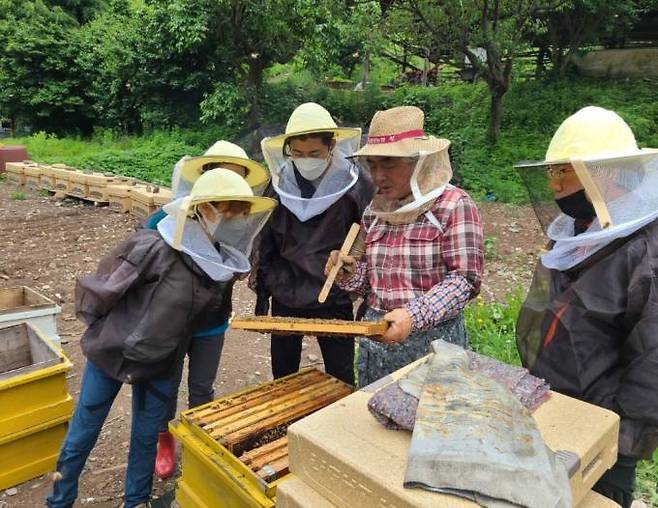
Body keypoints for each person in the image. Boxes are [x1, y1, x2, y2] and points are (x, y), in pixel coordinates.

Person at [46, 169, 276, 508]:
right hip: (112, 351)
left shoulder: (220, 266)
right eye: (228, 210)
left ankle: (136, 500)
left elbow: (207, 321)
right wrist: (106, 331)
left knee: (145, 436)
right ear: (203, 209)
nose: (235, 220)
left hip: (162, 360)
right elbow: (104, 288)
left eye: (241, 213)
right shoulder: (152, 246)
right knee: (84, 430)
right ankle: (59, 500)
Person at [514, 106, 658, 508]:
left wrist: (617, 441)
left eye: (564, 170)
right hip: (555, 406)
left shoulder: (646, 250)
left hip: (605, 431)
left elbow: (652, 364)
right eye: (551, 172)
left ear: (605, 172)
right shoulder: (583, 230)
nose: (554, 184)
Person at [325, 105, 484, 387]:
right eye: (372, 165)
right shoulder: (375, 212)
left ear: (419, 161)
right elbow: (372, 286)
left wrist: (413, 316)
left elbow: (465, 280)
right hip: (377, 347)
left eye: (388, 163)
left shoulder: (453, 205)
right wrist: (349, 275)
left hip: (435, 349)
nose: (378, 175)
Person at [143, 141, 270, 479]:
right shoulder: (164, 220)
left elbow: (240, 266)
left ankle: (200, 438)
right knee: (166, 384)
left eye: (237, 178)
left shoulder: (241, 225)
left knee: (202, 387)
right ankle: (163, 438)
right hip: (171, 324)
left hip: (212, 321)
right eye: (221, 176)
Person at [255, 102, 374, 385]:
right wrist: (265, 289)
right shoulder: (280, 181)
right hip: (287, 291)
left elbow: (369, 238)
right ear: (287, 150)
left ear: (332, 145)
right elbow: (267, 240)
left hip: (333, 292)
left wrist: (363, 290)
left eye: (314, 153)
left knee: (340, 376)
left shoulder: (356, 185)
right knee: (283, 377)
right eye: (297, 153)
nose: (305, 159)